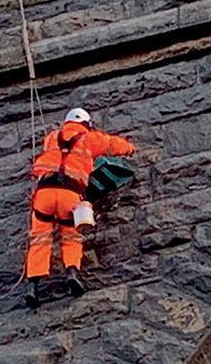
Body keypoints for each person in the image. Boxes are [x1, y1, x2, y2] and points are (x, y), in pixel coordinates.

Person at [24, 107, 135, 306]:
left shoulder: (51, 138)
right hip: (70, 195)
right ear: (86, 124)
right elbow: (112, 145)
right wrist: (130, 148)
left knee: (39, 239)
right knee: (71, 236)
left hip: (45, 194)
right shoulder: (89, 139)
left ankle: (32, 284)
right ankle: (72, 272)